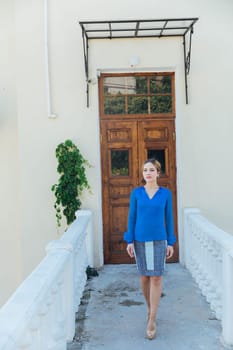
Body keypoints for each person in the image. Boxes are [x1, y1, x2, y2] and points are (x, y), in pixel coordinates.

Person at [124, 158, 176, 340]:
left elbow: (169, 219)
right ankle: (149, 309)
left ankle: (152, 318)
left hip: (159, 240)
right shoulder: (136, 193)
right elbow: (131, 217)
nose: (148, 173)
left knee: (156, 277)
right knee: (145, 276)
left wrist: (171, 242)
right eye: (145, 170)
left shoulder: (166, 194)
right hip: (139, 239)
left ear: (158, 173)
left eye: (151, 170)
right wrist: (129, 240)